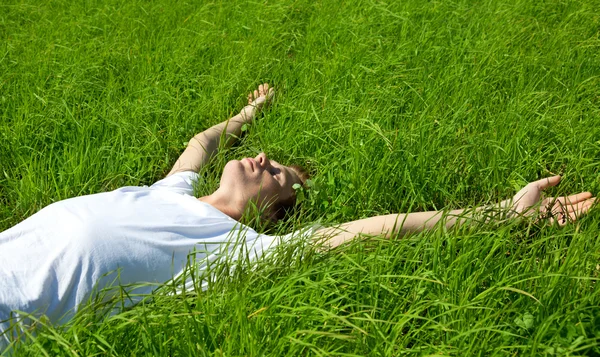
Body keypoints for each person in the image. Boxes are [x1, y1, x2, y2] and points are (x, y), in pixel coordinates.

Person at [0, 83, 596, 350]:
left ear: (274, 211)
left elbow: (365, 229)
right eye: (268, 158)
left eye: (277, 174)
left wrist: (500, 215)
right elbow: (200, 144)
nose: (263, 161)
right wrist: (246, 114)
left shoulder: (238, 251)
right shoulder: (171, 193)